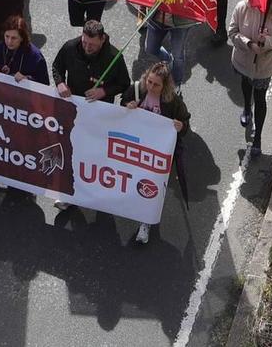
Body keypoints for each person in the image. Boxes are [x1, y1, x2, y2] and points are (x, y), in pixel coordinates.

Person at [128, 63, 191, 243]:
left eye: (156, 84)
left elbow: (185, 122)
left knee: (150, 185)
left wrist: (182, 126)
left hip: (158, 151)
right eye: (149, 82)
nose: (151, 87)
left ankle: (145, 223)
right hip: (136, 146)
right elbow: (122, 107)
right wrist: (128, 105)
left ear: (165, 86)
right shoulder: (137, 90)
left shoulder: (174, 102)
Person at [230, 0, 272, 157]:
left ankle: (258, 139)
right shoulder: (242, 7)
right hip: (243, 62)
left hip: (264, 66)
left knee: (260, 98)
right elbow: (232, 32)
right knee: (246, 84)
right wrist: (249, 43)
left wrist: (267, 41)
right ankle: (247, 108)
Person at [51, 19, 135, 103]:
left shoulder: (115, 58)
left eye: (92, 45)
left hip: (100, 103)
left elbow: (124, 84)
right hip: (74, 98)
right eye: (84, 42)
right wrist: (60, 82)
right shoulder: (70, 47)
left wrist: (105, 91)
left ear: (102, 39)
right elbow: (57, 66)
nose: (87, 48)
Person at [0, 15, 51, 83]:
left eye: (14, 38)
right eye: (7, 36)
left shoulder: (35, 56)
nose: (9, 41)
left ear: (22, 38)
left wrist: (27, 79)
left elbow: (44, 83)